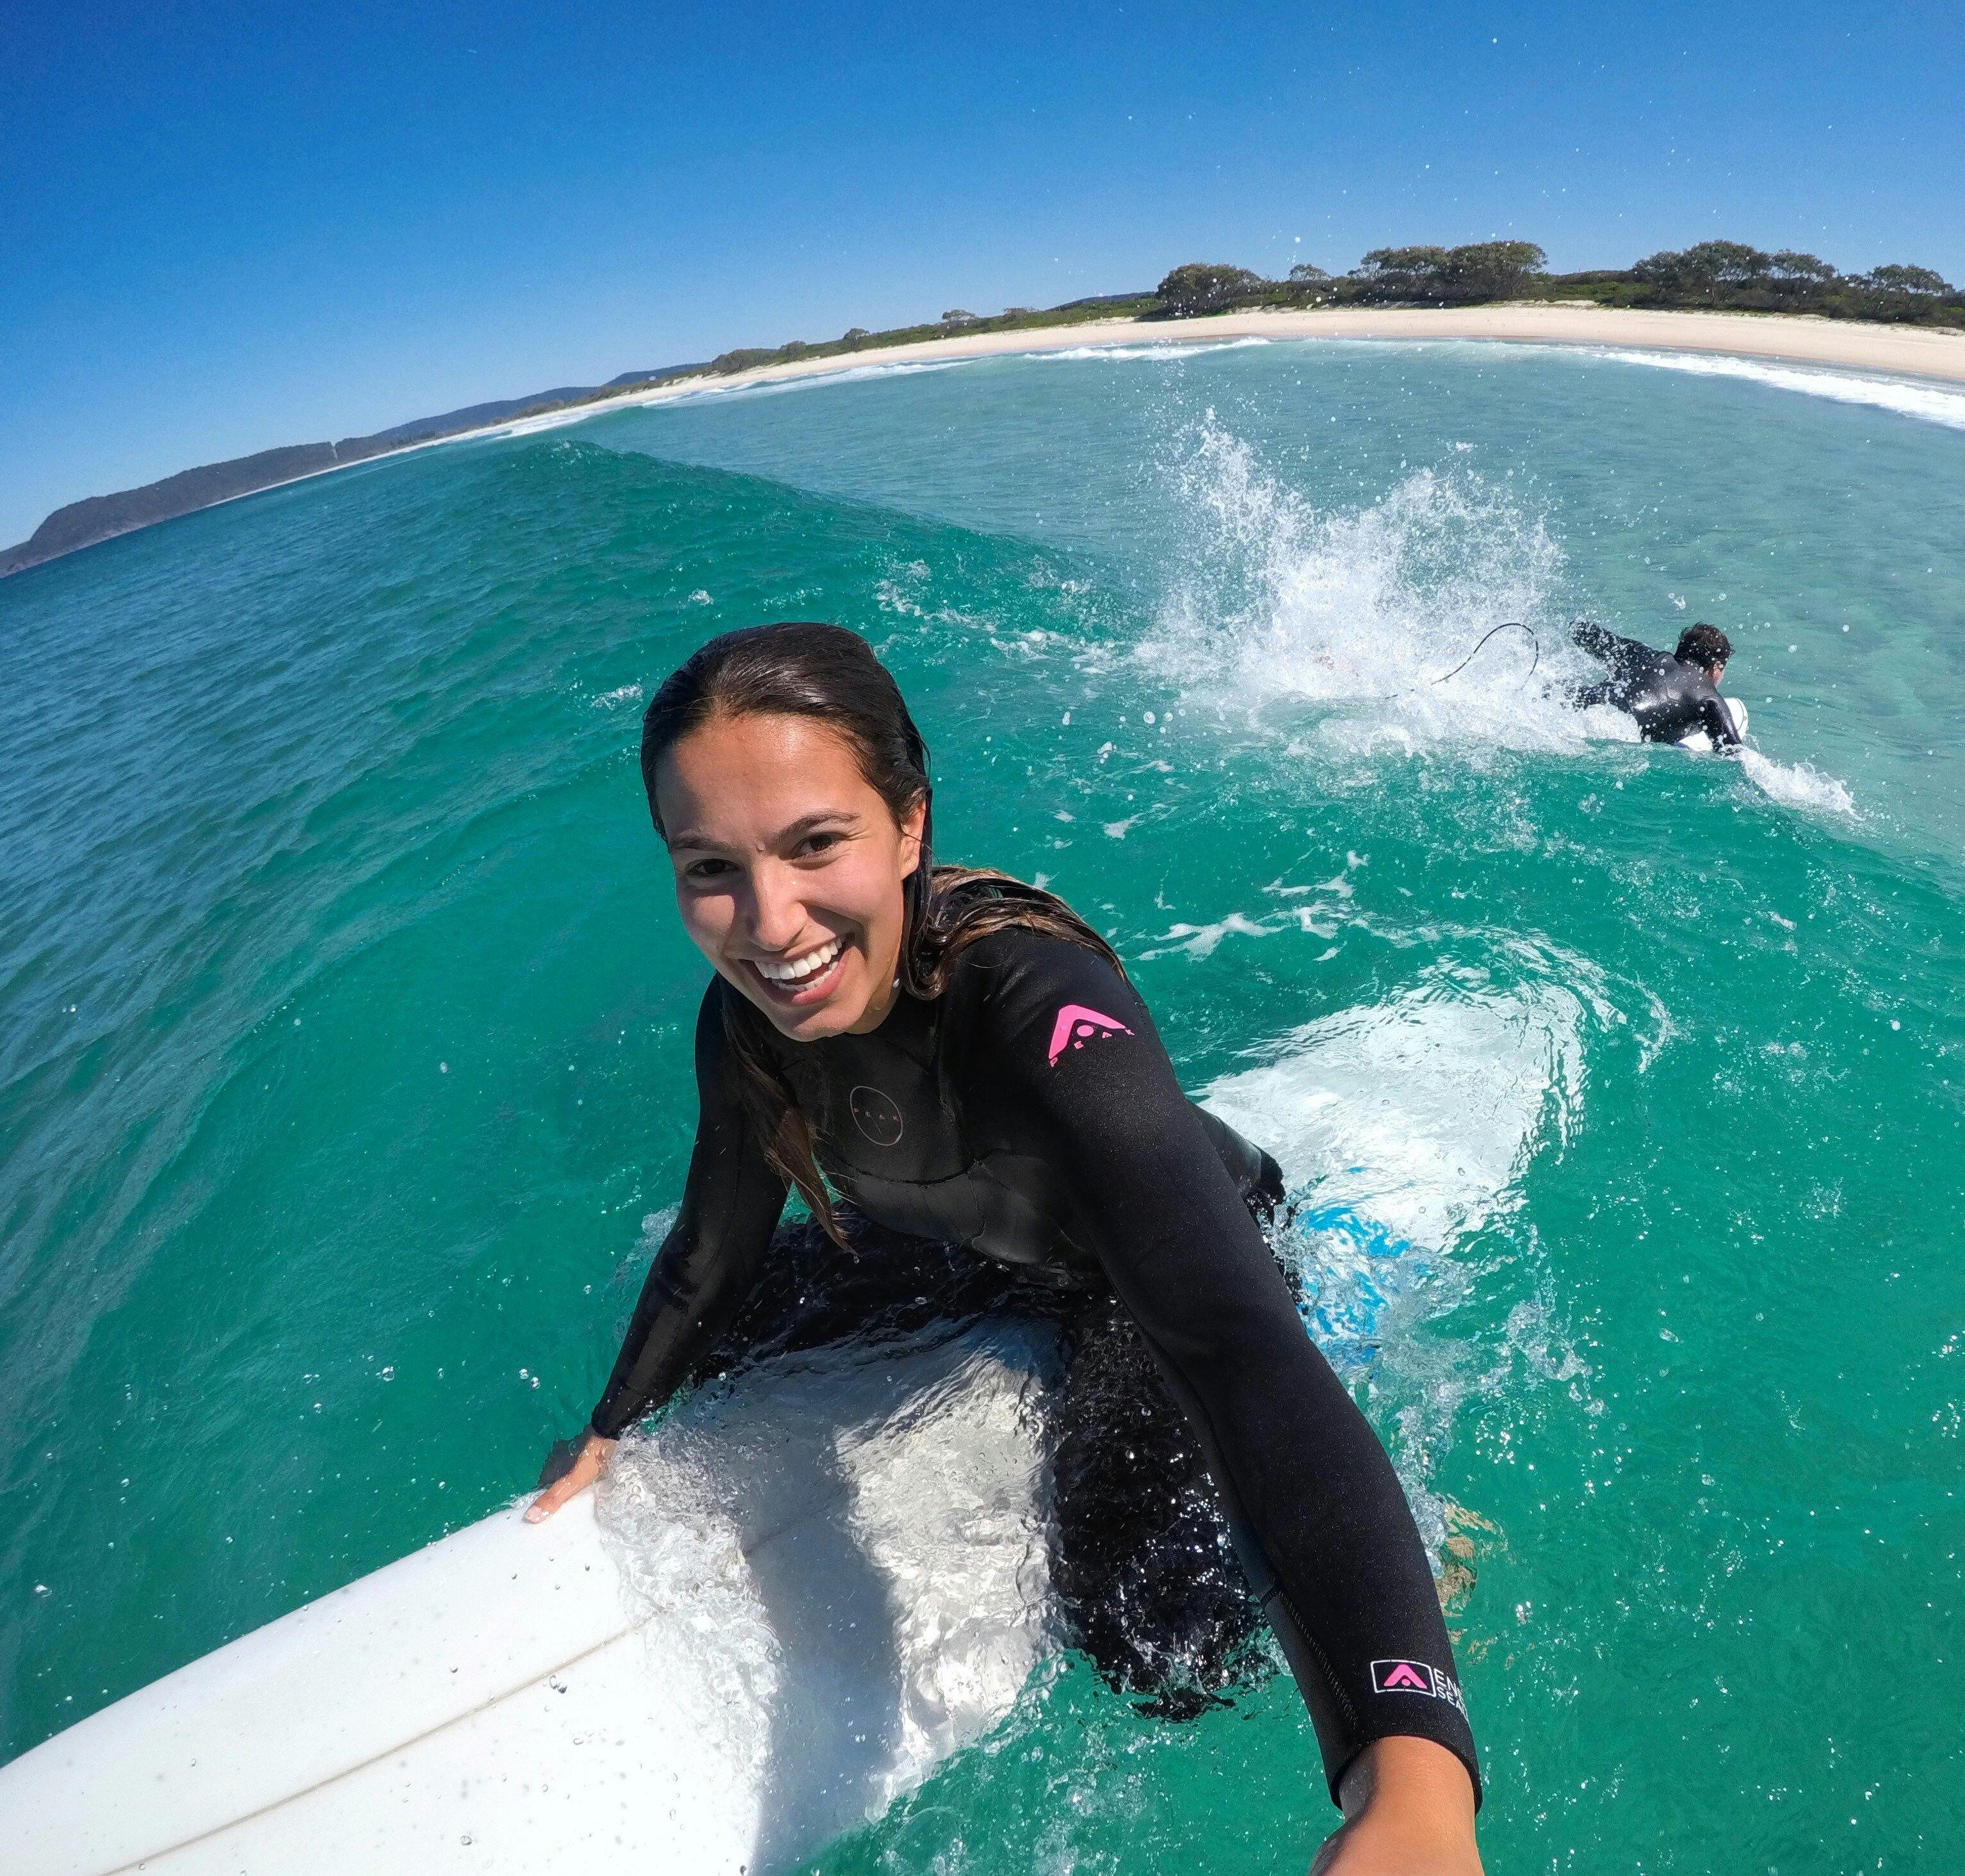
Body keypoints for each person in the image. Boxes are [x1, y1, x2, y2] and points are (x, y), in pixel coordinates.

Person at [524, 622, 1482, 1875]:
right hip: (964, 1240)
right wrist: (614, 1423)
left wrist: (1408, 1772)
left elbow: (1239, 1352)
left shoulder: (1033, 1007)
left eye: (816, 843)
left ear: (908, 823)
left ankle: (1419, 1546)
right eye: (712, 865)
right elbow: (715, 1239)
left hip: (1145, 1268)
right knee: (732, 1329)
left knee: (1151, 1643)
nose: (768, 922)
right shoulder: (743, 1021)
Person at [1569, 617, 1747, 748]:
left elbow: (1582, 632)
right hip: (1619, 738)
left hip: (1575, 711)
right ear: (1716, 667)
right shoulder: (1710, 700)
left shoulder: (1644, 656)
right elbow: (1735, 754)